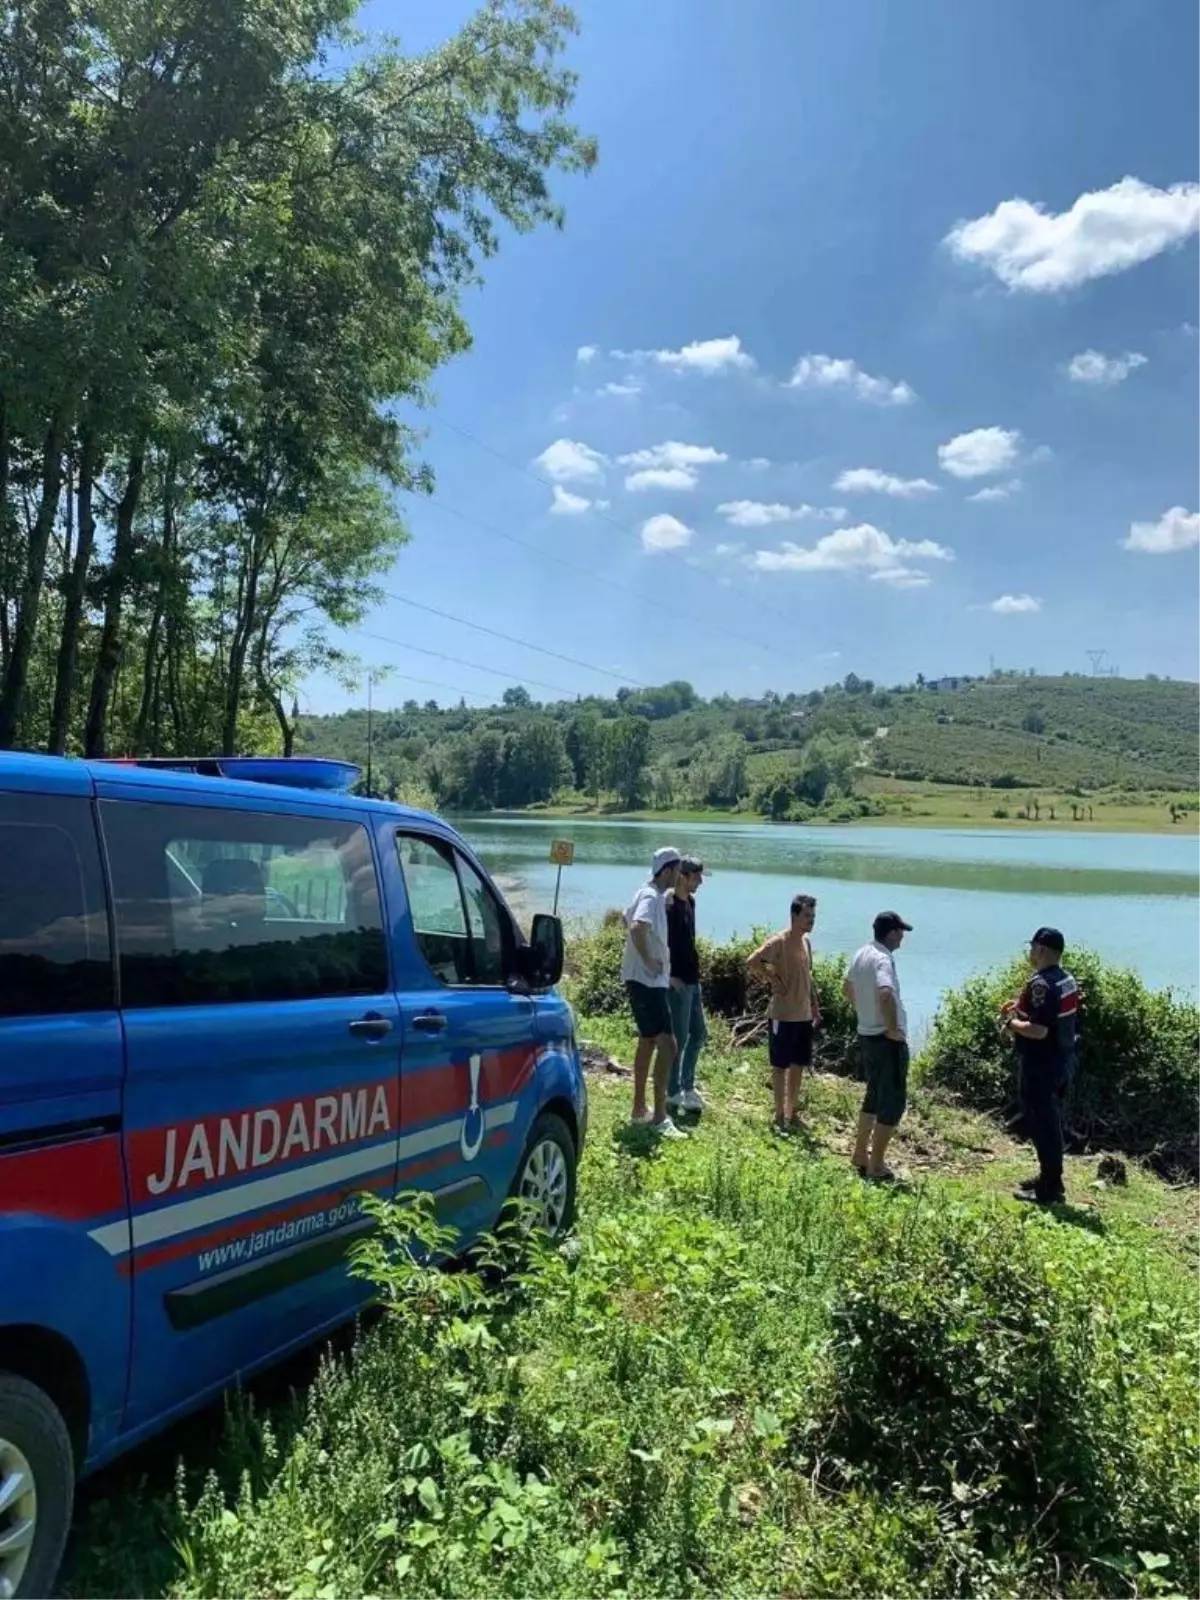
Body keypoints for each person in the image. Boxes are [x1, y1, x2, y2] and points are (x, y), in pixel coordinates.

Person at [1002, 927, 1079, 1206]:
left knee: (1042, 1123)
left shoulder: (1042, 984)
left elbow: (1039, 1030)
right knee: (1049, 1121)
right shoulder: (1065, 979)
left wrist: (1011, 1024)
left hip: (1041, 1064)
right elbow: (1054, 1015)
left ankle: (1049, 1188)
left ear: (1042, 950)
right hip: (1062, 1060)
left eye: (1032, 946)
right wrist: (1021, 1007)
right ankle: (1049, 1177)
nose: (1030, 952)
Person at [619, 847, 686, 1137]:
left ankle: (638, 1109)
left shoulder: (648, 894)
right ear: (667, 871)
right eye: (678, 869)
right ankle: (659, 1117)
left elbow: (625, 917)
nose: (680, 875)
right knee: (668, 1045)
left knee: (648, 1040)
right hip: (646, 982)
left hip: (647, 981)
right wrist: (647, 960)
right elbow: (635, 927)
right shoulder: (650, 896)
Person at [845, 911, 912, 1180]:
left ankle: (860, 1153)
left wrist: (865, 1014)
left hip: (867, 1036)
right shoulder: (883, 959)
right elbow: (885, 994)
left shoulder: (862, 953)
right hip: (886, 1040)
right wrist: (893, 1030)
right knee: (892, 1102)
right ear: (892, 933)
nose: (903, 937)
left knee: (873, 1095)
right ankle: (877, 1165)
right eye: (901, 932)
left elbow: (847, 990)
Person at [747, 894, 821, 1135]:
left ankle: (792, 1112)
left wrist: (815, 1006)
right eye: (807, 915)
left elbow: (808, 977)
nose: (811, 920)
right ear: (794, 915)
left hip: (803, 1014)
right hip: (782, 1014)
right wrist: (772, 979)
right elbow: (754, 961)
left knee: (799, 1064)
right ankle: (779, 1114)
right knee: (780, 1066)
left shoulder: (806, 942)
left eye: (813, 916)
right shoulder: (780, 941)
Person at [666, 855, 708, 1114]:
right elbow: (660, 944)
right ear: (683, 876)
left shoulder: (691, 902)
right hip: (677, 983)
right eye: (697, 877)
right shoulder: (667, 906)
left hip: (693, 980)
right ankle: (672, 1092)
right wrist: (669, 977)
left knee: (699, 1033)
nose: (700, 881)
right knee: (678, 1039)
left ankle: (687, 1085)